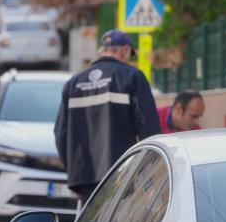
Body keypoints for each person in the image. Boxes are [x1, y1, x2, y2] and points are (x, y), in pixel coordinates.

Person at [54, 29, 160, 201]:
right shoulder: (132, 77)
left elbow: (61, 135)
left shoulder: (73, 83)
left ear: (101, 50)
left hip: (85, 179)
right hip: (122, 174)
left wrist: (74, 179)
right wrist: (151, 169)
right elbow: (148, 128)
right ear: (125, 50)